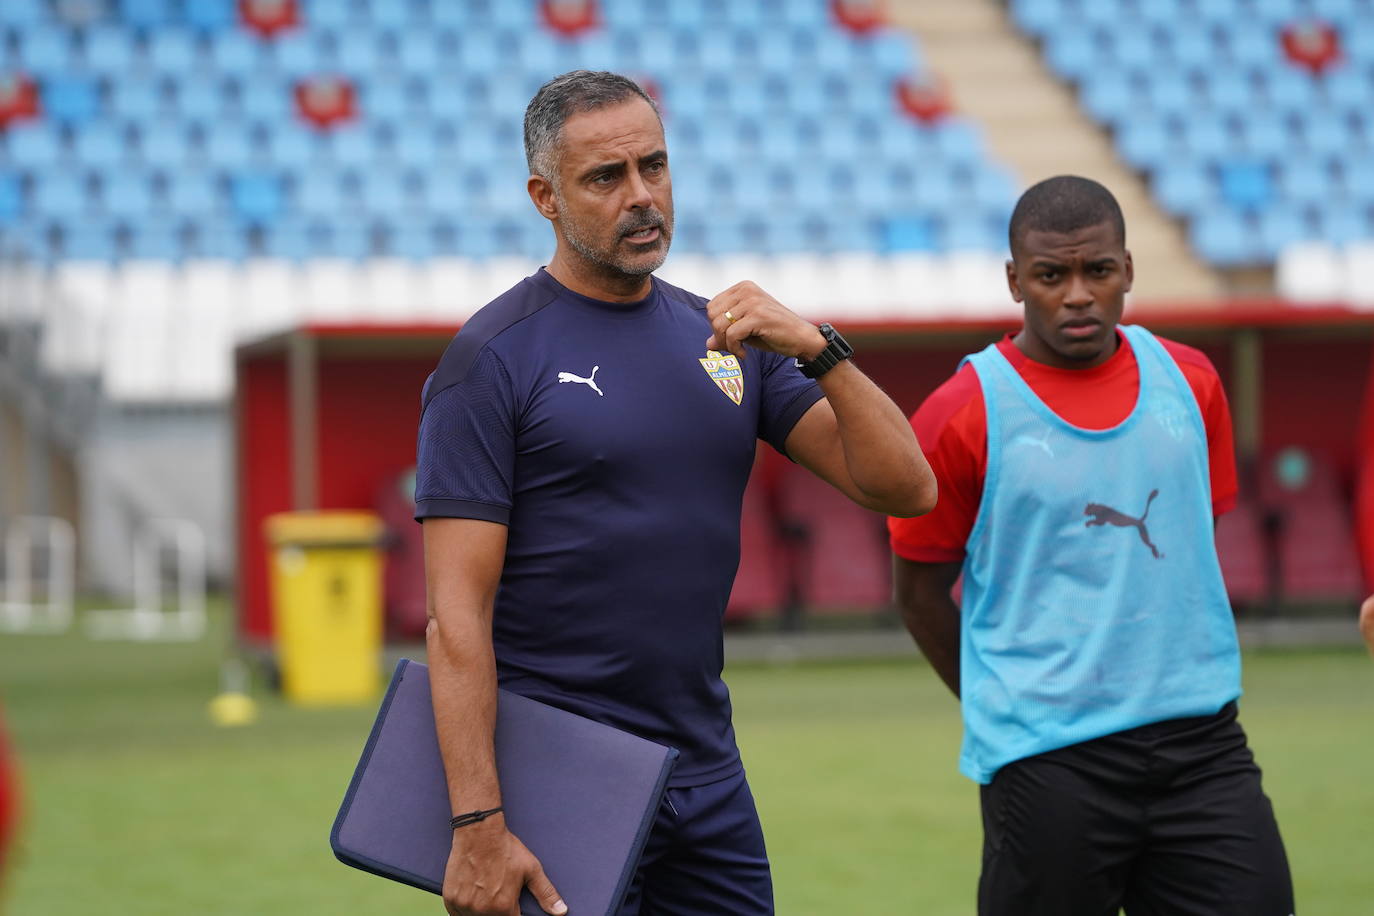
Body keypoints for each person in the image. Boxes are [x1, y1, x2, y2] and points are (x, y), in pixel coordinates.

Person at [415, 70, 936, 916]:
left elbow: (905, 486)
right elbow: (456, 617)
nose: (642, 195)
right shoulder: (491, 361)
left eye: (654, 167)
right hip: (555, 773)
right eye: (605, 178)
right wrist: (477, 824)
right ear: (544, 196)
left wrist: (818, 348)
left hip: (704, 770)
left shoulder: (732, 341)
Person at [889, 175, 1294, 915]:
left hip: (1204, 747)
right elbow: (918, 596)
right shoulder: (960, 413)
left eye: (1097, 271)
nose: (1077, 294)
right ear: (1016, 282)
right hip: (1048, 762)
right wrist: (1009, 708)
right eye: (1052, 275)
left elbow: (1189, 543)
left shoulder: (1193, 382)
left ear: (1128, 271)